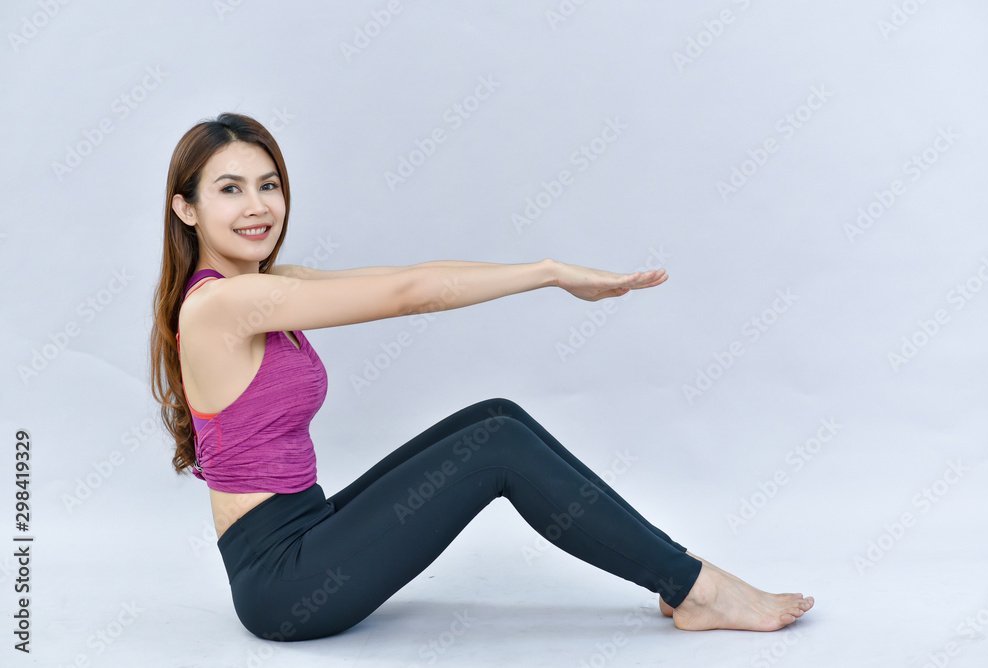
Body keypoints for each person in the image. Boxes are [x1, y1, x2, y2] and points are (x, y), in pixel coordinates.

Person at [149, 112, 814, 642]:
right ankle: (697, 589)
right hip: (282, 585)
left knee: (496, 418)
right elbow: (410, 295)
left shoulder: (269, 286)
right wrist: (550, 273)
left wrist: (547, 268)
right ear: (186, 209)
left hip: (306, 529)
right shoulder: (223, 304)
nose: (257, 206)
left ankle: (678, 576)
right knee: (497, 449)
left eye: (268, 185)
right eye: (230, 189)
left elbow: (406, 275)